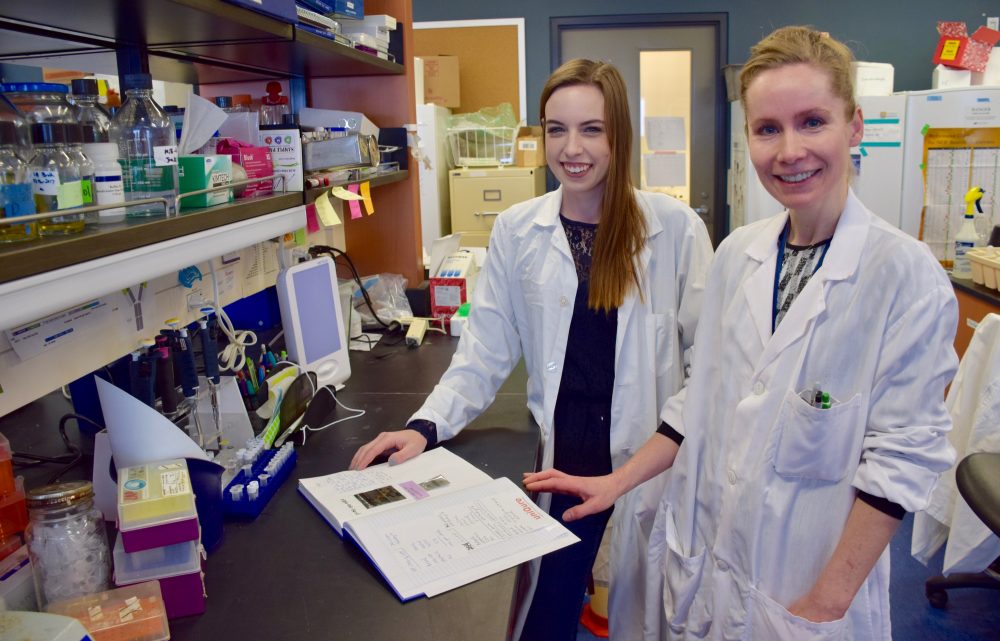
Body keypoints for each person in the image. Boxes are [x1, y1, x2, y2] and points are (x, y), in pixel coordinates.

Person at [525, 26, 959, 641]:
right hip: (705, 565)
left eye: (812, 122)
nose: (790, 151)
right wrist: (617, 483)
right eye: (767, 129)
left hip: (805, 592)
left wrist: (823, 606)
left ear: (854, 126)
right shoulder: (738, 255)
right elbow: (697, 400)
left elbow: (902, 461)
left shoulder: (904, 276)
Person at [351, 59, 713, 641]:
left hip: (647, 469)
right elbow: (484, 350)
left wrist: (658, 452)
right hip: (561, 467)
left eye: (592, 129)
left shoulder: (674, 229)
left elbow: (708, 369)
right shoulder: (518, 230)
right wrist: (425, 425)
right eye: (556, 129)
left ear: (618, 134)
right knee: (545, 617)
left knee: (646, 619)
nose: (572, 148)